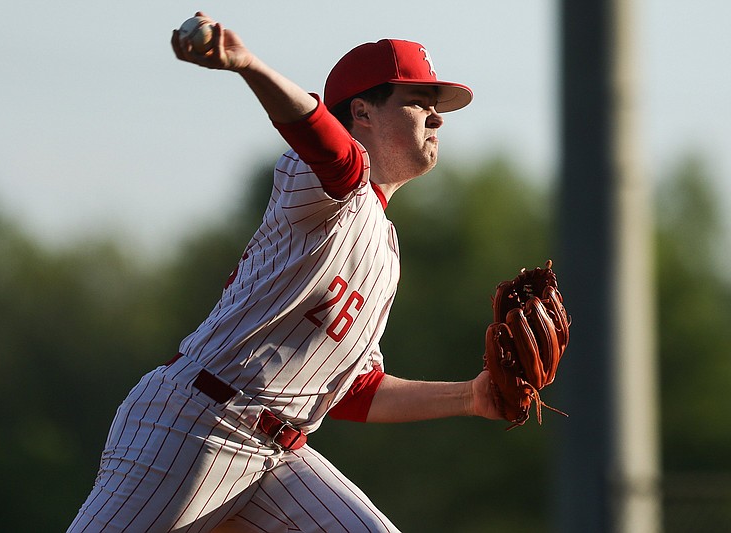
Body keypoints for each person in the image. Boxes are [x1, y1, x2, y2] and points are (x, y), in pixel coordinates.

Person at [68, 11, 502, 533]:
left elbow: (353, 391)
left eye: (436, 108)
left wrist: (470, 397)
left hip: (277, 457)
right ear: (361, 112)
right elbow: (330, 148)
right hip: (194, 424)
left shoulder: (385, 249)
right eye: (420, 102)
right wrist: (248, 65)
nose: (437, 118)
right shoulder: (326, 186)